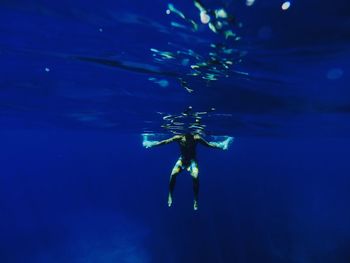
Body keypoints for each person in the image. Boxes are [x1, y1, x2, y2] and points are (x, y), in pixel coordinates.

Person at [144, 133, 232, 210]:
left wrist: (221, 146)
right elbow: (165, 142)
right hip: (182, 159)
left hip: (192, 161)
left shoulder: (196, 138)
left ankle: (195, 199)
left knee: (195, 176)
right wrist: (152, 145)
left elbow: (208, 145)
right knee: (173, 174)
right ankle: (170, 194)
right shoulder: (178, 138)